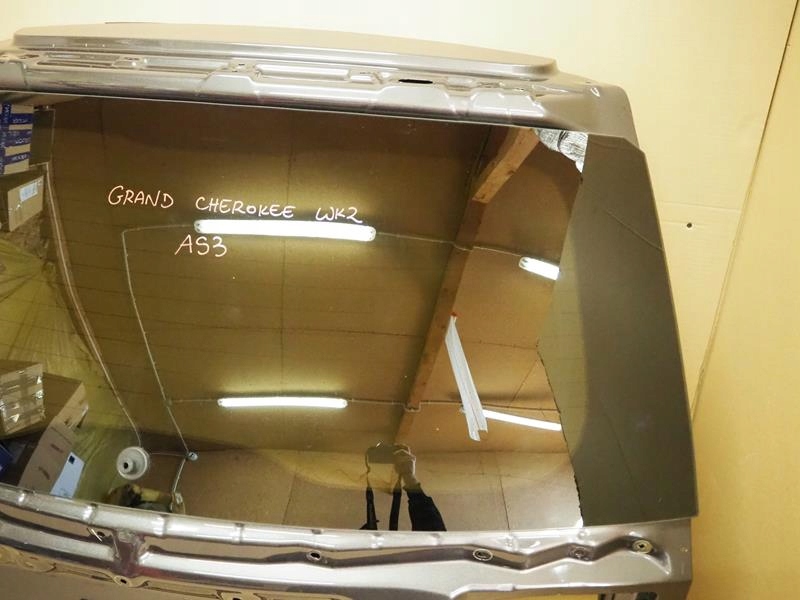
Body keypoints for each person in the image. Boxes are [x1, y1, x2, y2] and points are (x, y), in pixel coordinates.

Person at [360, 444, 445, 532]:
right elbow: (433, 534)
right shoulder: (352, 537)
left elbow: (433, 535)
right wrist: (410, 480)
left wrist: (409, 477)